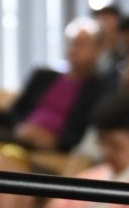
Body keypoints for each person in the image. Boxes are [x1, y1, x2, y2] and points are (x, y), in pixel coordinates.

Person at [13, 20, 110, 153]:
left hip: (57, 150)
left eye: (80, 44)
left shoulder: (99, 91)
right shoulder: (42, 76)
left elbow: (85, 132)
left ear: (97, 51)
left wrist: (55, 141)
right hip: (19, 137)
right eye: (71, 43)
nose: (73, 48)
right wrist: (20, 128)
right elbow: (14, 111)